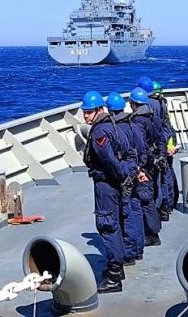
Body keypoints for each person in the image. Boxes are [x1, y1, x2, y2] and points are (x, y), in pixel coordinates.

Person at [81, 90, 132, 293]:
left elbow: (109, 160)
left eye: (88, 112)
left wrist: (120, 177)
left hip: (106, 185)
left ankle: (114, 277)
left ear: (99, 110)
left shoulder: (99, 132)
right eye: (84, 112)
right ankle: (118, 269)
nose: (85, 116)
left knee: (107, 225)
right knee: (115, 223)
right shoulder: (112, 125)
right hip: (113, 183)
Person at [108, 92, 146, 263]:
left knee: (126, 213)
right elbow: (141, 149)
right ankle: (138, 248)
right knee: (136, 209)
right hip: (136, 172)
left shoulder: (115, 129)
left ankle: (130, 253)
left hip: (123, 176)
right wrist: (139, 169)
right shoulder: (133, 125)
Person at [128, 86, 162, 246]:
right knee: (150, 195)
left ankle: (153, 234)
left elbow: (140, 146)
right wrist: (159, 156)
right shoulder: (153, 116)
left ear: (133, 103)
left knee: (145, 198)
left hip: (145, 164)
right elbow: (160, 138)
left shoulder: (137, 121)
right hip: (154, 160)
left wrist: (139, 166)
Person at [141, 77, 178, 221]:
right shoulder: (161, 103)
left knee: (162, 177)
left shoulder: (149, 105)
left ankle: (164, 207)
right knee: (167, 174)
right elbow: (167, 126)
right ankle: (169, 205)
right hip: (167, 141)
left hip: (159, 144)